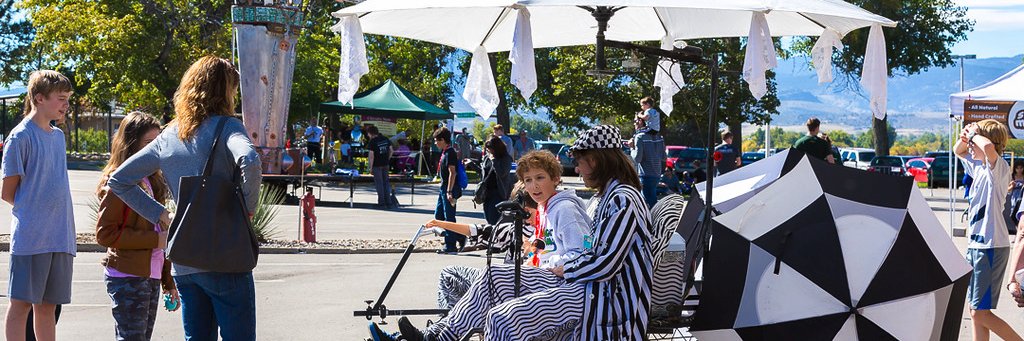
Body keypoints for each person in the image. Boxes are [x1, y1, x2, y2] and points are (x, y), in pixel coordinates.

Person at [371, 125, 653, 341]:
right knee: (493, 277)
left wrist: (559, 266)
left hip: (604, 298)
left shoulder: (622, 199)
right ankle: (438, 337)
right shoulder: (607, 197)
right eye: (528, 180)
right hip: (587, 286)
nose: (577, 169)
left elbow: (604, 262)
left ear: (599, 160)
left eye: (581, 161)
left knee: (501, 318)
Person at [108, 56, 262, 340]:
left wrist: (162, 215)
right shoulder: (228, 127)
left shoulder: (169, 135)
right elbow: (250, 161)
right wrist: (248, 208)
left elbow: (118, 179)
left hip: (185, 259)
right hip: (225, 256)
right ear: (226, 90)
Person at [2, 70, 76, 341]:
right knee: (21, 304)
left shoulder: (58, 137)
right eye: (61, 98)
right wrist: (36, 212)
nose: (66, 104)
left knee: (47, 307)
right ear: (39, 98)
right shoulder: (20, 137)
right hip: (32, 239)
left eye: (68, 98)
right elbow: (8, 192)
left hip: (61, 237)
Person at [95, 112, 180, 341]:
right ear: (131, 146)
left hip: (150, 275)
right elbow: (105, 234)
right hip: (127, 275)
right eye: (148, 143)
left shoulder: (152, 181)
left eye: (158, 143)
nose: (156, 150)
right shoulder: (118, 184)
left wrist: (168, 281)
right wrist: (155, 241)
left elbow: (162, 234)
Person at [953, 119, 1022, 341]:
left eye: (973, 142)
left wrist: (975, 135)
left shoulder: (999, 167)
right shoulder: (978, 167)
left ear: (984, 141)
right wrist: (966, 135)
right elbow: (957, 150)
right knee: (975, 311)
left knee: (979, 313)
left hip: (991, 247)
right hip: (977, 246)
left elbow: (989, 148)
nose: (970, 146)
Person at [434, 127, 465, 253]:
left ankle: (450, 245)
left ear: (443, 140)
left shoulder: (450, 153)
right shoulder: (445, 152)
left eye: (437, 140)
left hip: (449, 189)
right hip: (443, 188)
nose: (435, 143)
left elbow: (453, 173)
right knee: (439, 216)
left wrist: (449, 191)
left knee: (449, 217)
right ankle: (459, 236)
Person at [479, 136, 514, 225]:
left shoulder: (506, 158)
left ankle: (496, 233)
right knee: (488, 217)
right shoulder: (487, 157)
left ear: (496, 148)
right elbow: (484, 172)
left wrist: (494, 160)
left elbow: (502, 173)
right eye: (487, 149)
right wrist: (471, 164)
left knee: (494, 218)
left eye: (490, 149)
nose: (489, 151)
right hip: (487, 192)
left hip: (498, 192)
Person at [634, 124, 666, 207]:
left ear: (641, 121)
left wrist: (632, 148)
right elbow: (664, 157)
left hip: (646, 175)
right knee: (652, 201)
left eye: (636, 121)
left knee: (647, 204)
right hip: (657, 174)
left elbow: (637, 159)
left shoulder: (640, 137)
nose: (634, 124)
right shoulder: (659, 137)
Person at [367, 125, 396, 209]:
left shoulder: (372, 142)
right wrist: (387, 158)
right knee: (386, 183)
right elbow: (391, 150)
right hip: (385, 164)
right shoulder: (385, 139)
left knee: (379, 184)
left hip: (377, 165)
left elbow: (371, 156)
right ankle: (388, 202)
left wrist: (370, 167)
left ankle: (382, 203)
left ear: (370, 133)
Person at [1005, 162, 1024, 234]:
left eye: (1021, 168)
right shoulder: (1012, 176)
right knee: (1013, 213)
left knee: (1021, 214)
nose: (1019, 170)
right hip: (1014, 197)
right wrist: (1012, 186)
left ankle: (1020, 231)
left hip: (1022, 197)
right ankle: (1017, 229)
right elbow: (1008, 189)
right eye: (1017, 168)